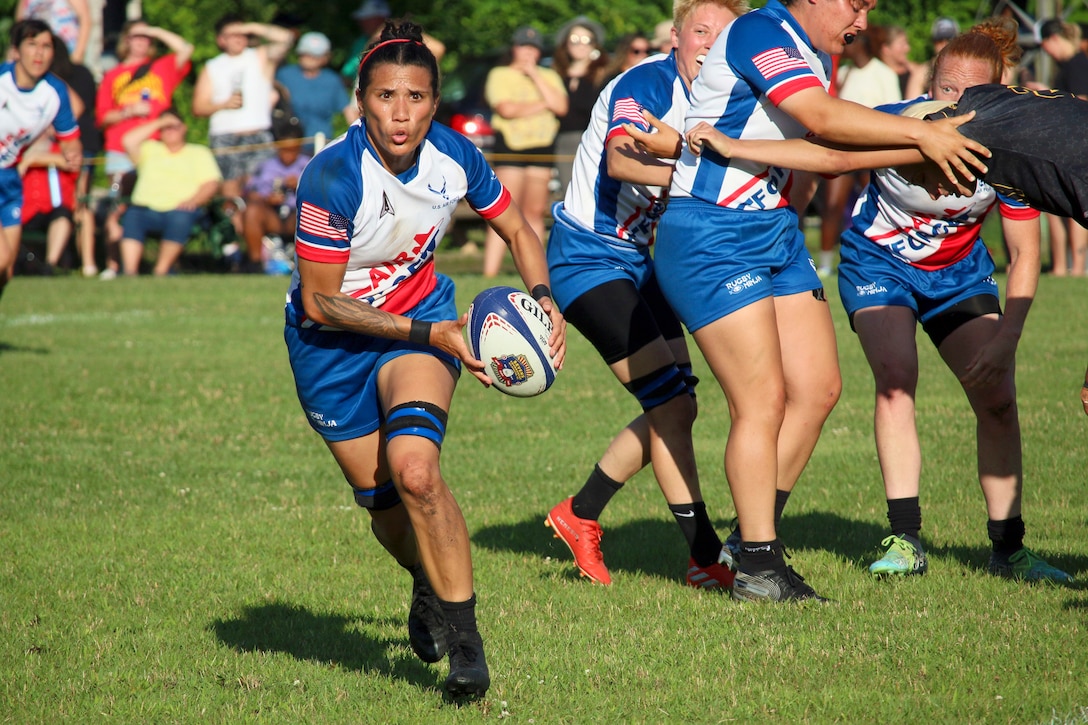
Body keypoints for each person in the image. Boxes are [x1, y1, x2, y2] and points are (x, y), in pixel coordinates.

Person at [684, 20, 1073, 584]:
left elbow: (1024, 252)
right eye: (943, 89)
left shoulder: (1014, 150)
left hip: (958, 276)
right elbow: (815, 149)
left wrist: (1008, 339)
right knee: (895, 376)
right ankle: (905, 538)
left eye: (969, 94)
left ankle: (1009, 550)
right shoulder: (895, 121)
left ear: (998, 92)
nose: (951, 103)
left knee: (997, 399)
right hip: (878, 264)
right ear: (926, 80)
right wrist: (733, 147)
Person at [639, 0, 988, 602]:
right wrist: (921, 134)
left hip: (771, 230)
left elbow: (828, 158)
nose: (861, 22)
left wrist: (920, 152)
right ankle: (757, 564)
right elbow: (818, 114)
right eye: (856, 6)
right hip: (710, 231)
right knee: (762, 399)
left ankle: (750, 537)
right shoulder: (758, 30)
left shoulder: (815, 54)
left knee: (820, 387)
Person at [284, 21, 565, 699]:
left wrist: (544, 298)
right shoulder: (332, 175)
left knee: (416, 474)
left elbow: (518, 228)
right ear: (361, 101)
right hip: (330, 346)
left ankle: (468, 650)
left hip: (425, 326)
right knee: (384, 506)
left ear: (435, 102)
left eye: (415, 96)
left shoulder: (456, 156)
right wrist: (428, 333)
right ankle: (426, 581)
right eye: (385, 96)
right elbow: (322, 304)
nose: (401, 113)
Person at [544, 0, 747, 589]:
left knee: (678, 405)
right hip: (587, 258)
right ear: (677, 35)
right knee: (669, 404)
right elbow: (622, 159)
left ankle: (581, 514)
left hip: (641, 261)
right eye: (701, 30)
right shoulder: (647, 80)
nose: (710, 43)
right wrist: (712, 175)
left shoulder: (718, 102)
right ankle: (705, 558)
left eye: (724, 35)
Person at [95, 19, 194, 279]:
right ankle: (114, 265)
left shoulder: (161, 67)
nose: (141, 41)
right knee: (119, 206)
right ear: (125, 40)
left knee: (164, 200)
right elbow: (102, 117)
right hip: (121, 148)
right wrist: (128, 111)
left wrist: (155, 30)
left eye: (146, 37)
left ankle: (165, 264)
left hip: (158, 149)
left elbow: (186, 49)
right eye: (135, 36)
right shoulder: (113, 75)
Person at [192, 14, 294, 264]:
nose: (237, 39)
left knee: (260, 191)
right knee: (230, 195)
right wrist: (222, 104)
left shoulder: (258, 57)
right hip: (225, 137)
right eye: (231, 34)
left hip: (257, 134)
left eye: (241, 34)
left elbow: (286, 38)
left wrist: (251, 27)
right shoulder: (213, 66)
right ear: (220, 39)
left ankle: (262, 251)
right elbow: (198, 106)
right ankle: (238, 248)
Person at [0, 19, 81, 303]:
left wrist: (73, 153)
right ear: (16, 51)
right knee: (1, 258)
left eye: (46, 46)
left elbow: (70, 137)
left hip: (9, 181)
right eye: (31, 44)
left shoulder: (54, 93)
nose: (39, 53)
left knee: (6, 271)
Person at [481, 26, 568, 277]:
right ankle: (489, 273)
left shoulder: (548, 76)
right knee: (502, 212)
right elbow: (506, 109)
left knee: (534, 212)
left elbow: (560, 106)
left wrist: (535, 76)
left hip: (541, 147)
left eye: (533, 48)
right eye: (523, 46)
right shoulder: (500, 74)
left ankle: (535, 269)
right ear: (514, 49)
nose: (528, 52)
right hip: (511, 147)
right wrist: (543, 104)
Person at [816, 26, 901, 277]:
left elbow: (894, 113)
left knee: (879, 205)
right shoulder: (843, 72)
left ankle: (885, 257)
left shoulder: (883, 73)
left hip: (872, 151)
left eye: (849, 41)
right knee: (832, 205)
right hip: (843, 150)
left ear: (861, 44)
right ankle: (824, 262)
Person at [118, 109, 221, 276]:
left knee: (181, 217)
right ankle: (130, 273)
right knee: (132, 216)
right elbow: (128, 140)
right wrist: (161, 121)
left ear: (184, 128)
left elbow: (211, 184)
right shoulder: (149, 149)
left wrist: (193, 201)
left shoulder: (198, 152)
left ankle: (161, 271)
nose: (171, 131)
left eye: (175, 126)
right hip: (145, 208)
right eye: (166, 128)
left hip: (180, 209)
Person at [1036, 19, 1088, 275]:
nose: (1047, 52)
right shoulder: (1070, 65)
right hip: (1069, 144)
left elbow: (1082, 103)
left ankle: (1075, 267)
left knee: (1074, 204)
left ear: (1054, 39)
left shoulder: (1078, 64)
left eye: (1046, 45)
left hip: (1077, 144)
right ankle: (1061, 266)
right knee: (1062, 205)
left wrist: (1046, 93)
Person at [552, 16, 611, 195]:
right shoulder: (555, 75)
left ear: (595, 44)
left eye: (586, 40)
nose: (580, 44)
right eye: (574, 39)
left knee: (591, 192)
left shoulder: (604, 75)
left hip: (593, 141)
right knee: (567, 194)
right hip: (562, 141)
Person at [275, 31, 357, 154]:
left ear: (325, 58)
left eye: (315, 55)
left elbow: (348, 111)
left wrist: (359, 136)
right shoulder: (284, 75)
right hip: (288, 146)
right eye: (306, 54)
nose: (309, 59)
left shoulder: (332, 80)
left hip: (321, 146)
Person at [242, 124, 309, 274]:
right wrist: (267, 199)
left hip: (296, 215)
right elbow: (250, 192)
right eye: (284, 150)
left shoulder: (309, 165)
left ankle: (306, 265)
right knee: (252, 210)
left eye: (292, 150)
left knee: (308, 212)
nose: (288, 155)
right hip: (272, 215)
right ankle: (256, 265)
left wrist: (299, 186)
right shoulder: (266, 166)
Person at [18, 133, 81, 273]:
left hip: (51, 208)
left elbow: (70, 162)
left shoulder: (59, 148)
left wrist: (32, 159)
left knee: (62, 217)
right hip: (23, 211)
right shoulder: (15, 150)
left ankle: (49, 266)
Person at [339, 0, 446, 82]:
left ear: (378, 19)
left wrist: (404, 31)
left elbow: (438, 49)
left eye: (366, 19)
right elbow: (347, 74)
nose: (361, 23)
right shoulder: (361, 42)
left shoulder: (399, 38)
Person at [16, 0, 91, 64]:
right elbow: (19, 27)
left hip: (63, 58)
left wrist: (77, 56)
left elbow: (85, 20)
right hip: (33, 59)